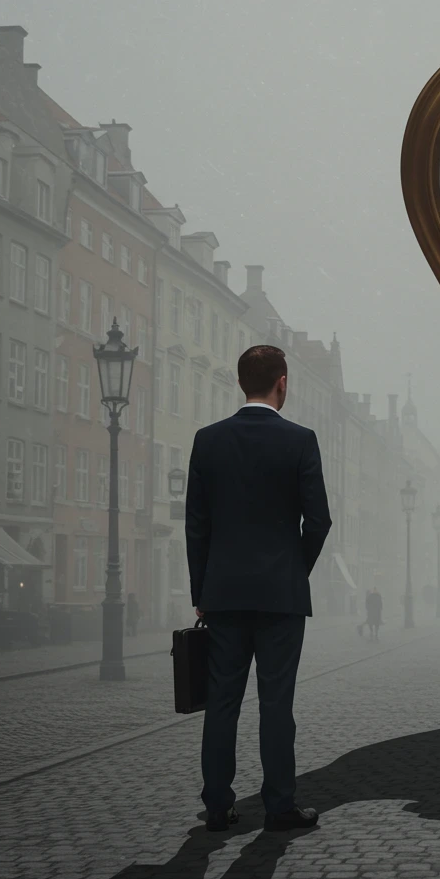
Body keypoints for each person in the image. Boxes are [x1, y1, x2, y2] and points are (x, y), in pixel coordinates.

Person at [186, 344, 332, 834]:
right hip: (280, 596)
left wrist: (201, 589)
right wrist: (295, 569)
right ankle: (279, 806)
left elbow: (197, 525)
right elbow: (319, 520)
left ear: (241, 381)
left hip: (223, 594)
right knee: (276, 704)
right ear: (282, 382)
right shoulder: (300, 440)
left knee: (221, 703)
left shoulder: (208, 441)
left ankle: (217, 806)